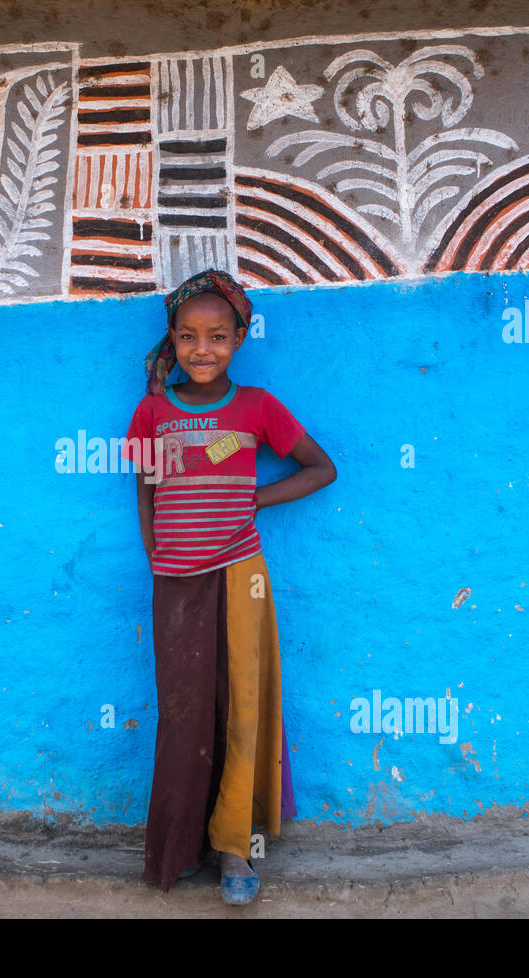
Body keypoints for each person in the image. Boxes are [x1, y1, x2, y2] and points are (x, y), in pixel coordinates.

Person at [121, 268, 337, 905]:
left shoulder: (257, 407)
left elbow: (321, 469)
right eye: (187, 337)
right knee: (183, 713)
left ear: (240, 338)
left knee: (242, 705)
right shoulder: (154, 409)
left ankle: (235, 849)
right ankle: (180, 846)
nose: (202, 349)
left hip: (241, 573)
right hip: (175, 580)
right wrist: (156, 555)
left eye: (218, 336)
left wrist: (254, 498)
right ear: (173, 341)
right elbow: (147, 490)